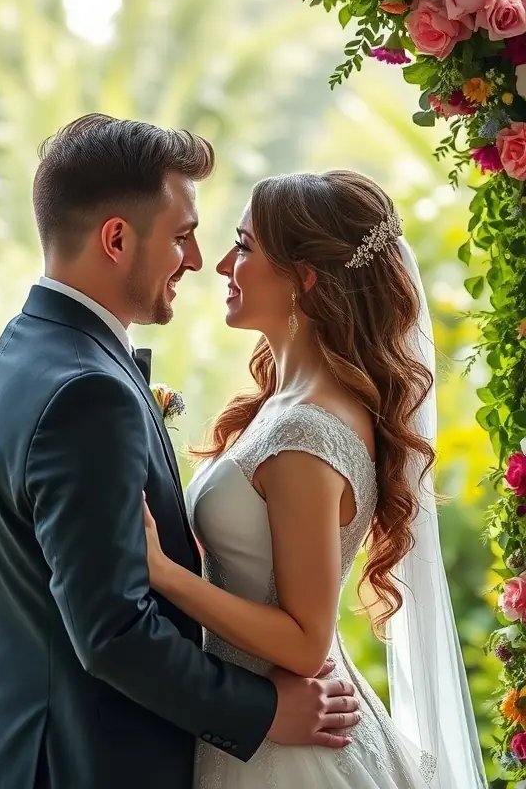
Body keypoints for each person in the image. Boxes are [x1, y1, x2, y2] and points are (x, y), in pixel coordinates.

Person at [0, 117, 360, 789]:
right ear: (116, 238)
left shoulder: (22, 351)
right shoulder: (89, 393)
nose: (200, 261)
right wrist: (264, 711)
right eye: (183, 236)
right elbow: (113, 630)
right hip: (86, 765)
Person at [142, 170, 487, 789]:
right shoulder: (288, 401)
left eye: (245, 247)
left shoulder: (307, 434)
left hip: (292, 751)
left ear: (305, 278)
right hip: (265, 722)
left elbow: (305, 642)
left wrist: (163, 575)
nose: (222, 264)